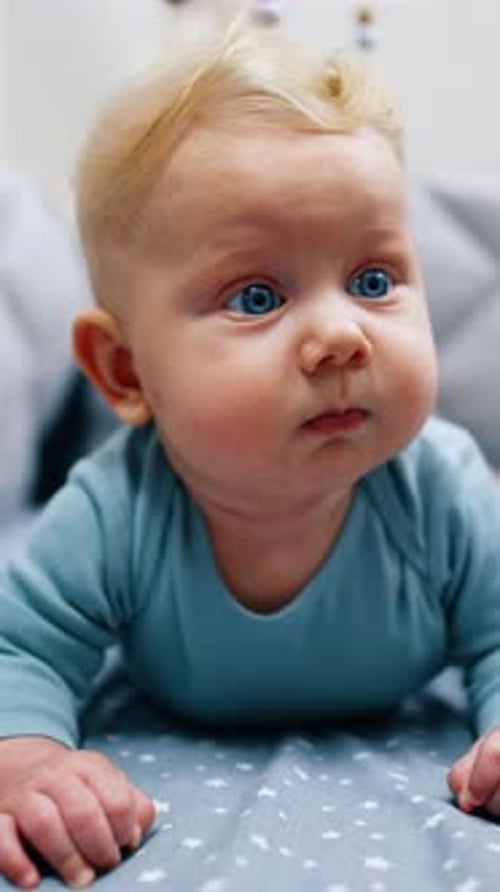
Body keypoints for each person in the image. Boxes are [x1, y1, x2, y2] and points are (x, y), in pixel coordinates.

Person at [1, 25, 500, 889]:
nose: (341, 335)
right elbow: (22, 650)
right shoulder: (116, 511)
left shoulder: (443, 490)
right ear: (126, 371)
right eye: (258, 297)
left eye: (375, 281)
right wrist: (30, 758)